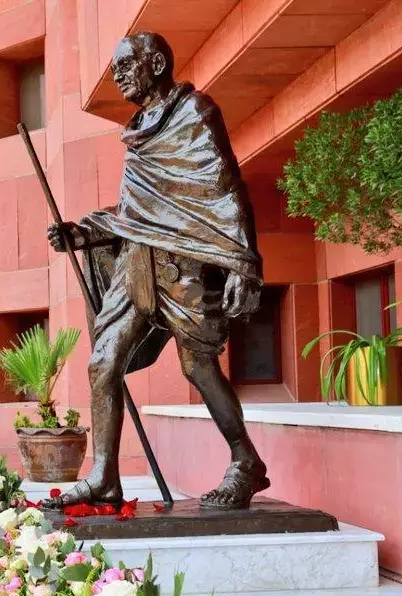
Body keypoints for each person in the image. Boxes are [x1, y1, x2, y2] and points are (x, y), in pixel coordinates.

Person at [45, 32, 269, 511]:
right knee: (103, 362)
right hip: (136, 265)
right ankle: (105, 475)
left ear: (158, 62)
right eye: (115, 67)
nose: (119, 74)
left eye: (126, 64)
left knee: (197, 366)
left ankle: (245, 461)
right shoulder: (139, 130)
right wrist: (81, 232)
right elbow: (137, 214)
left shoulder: (195, 114)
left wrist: (241, 265)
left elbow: (226, 190)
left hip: (185, 266)